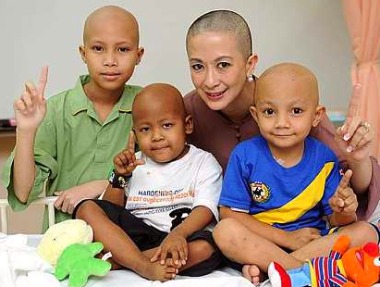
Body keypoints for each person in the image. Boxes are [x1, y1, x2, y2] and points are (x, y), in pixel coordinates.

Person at [184, 9, 380, 222]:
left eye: (223, 65)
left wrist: (357, 159)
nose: (210, 81)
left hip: (305, 223)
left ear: (250, 64)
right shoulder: (189, 111)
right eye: (198, 66)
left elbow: (350, 189)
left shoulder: (294, 106)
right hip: (242, 227)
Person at [213, 62, 380, 285]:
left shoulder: (324, 157)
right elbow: (230, 214)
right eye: (269, 112)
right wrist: (287, 239)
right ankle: (302, 270)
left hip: (312, 245)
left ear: (317, 116)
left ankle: (273, 268)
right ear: (255, 114)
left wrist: (344, 209)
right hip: (263, 241)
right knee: (224, 231)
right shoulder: (244, 155)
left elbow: (336, 220)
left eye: (296, 111)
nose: (282, 123)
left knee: (366, 231)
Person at [1, 5, 144, 230]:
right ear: (83, 53)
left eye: (123, 49)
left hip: (130, 241)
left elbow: (167, 178)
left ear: (139, 55)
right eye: (98, 48)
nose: (110, 60)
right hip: (65, 240)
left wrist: (101, 185)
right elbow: (23, 191)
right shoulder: (56, 110)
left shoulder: (148, 104)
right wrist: (26, 131)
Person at [73, 83, 223, 282]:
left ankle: (119, 262)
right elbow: (110, 209)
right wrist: (119, 177)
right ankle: (142, 265)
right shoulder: (134, 163)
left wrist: (178, 234)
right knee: (87, 208)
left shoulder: (203, 162)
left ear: (187, 125)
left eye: (167, 125)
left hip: (183, 237)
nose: (157, 136)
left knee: (206, 247)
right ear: (135, 133)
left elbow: (205, 208)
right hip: (135, 239)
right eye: (145, 129)